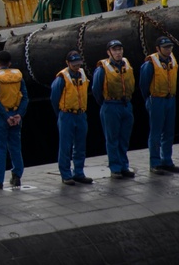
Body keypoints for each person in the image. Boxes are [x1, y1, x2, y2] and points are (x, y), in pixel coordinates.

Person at [0, 50, 28, 189]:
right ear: (10, 63)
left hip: (1, 118)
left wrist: (6, 117)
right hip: (16, 115)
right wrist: (19, 114)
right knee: (15, 147)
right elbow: (25, 97)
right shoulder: (18, 76)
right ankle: (17, 176)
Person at [91, 39, 136, 178]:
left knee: (124, 139)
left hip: (126, 105)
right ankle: (115, 167)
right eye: (115, 50)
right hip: (111, 105)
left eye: (120, 49)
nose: (118, 52)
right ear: (109, 52)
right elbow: (96, 89)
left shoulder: (126, 65)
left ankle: (124, 166)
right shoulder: (102, 69)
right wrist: (105, 104)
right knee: (112, 139)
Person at [139, 36, 179, 174]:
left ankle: (167, 160)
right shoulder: (150, 64)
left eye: (169, 47)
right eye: (165, 48)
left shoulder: (172, 61)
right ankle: (155, 162)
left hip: (170, 99)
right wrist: (149, 100)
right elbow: (143, 84)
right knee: (156, 133)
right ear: (158, 49)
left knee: (169, 132)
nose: (168, 50)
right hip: (157, 99)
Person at [50, 50, 94, 185]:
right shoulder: (62, 78)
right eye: (73, 64)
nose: (76, 66)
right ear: (68, 63)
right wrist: (61, 114)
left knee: (80, 145)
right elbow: (54, 97)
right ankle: (66, 174)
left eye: (78, 63)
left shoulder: (82, 74)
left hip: (80, 114)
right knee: (65, 146)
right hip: (67, 114)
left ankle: (79, 172)